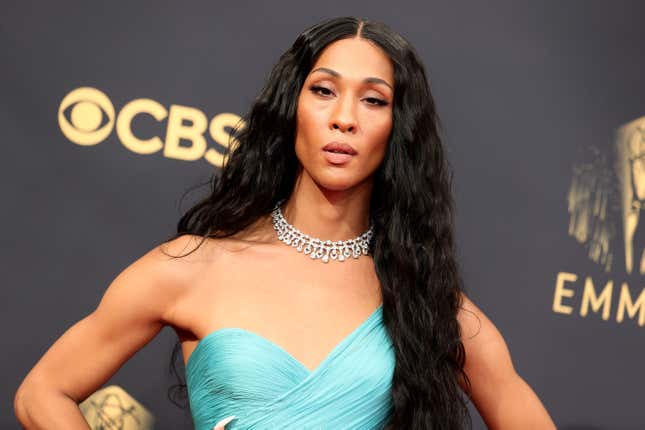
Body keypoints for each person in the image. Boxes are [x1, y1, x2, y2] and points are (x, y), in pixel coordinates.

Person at [14, 16, 557, 430]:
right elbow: (42, 392)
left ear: (398, 129)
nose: (344, 117)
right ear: (291, 106)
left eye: (373, 100)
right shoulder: (191, 268)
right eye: (324, 90)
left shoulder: (425, 302)